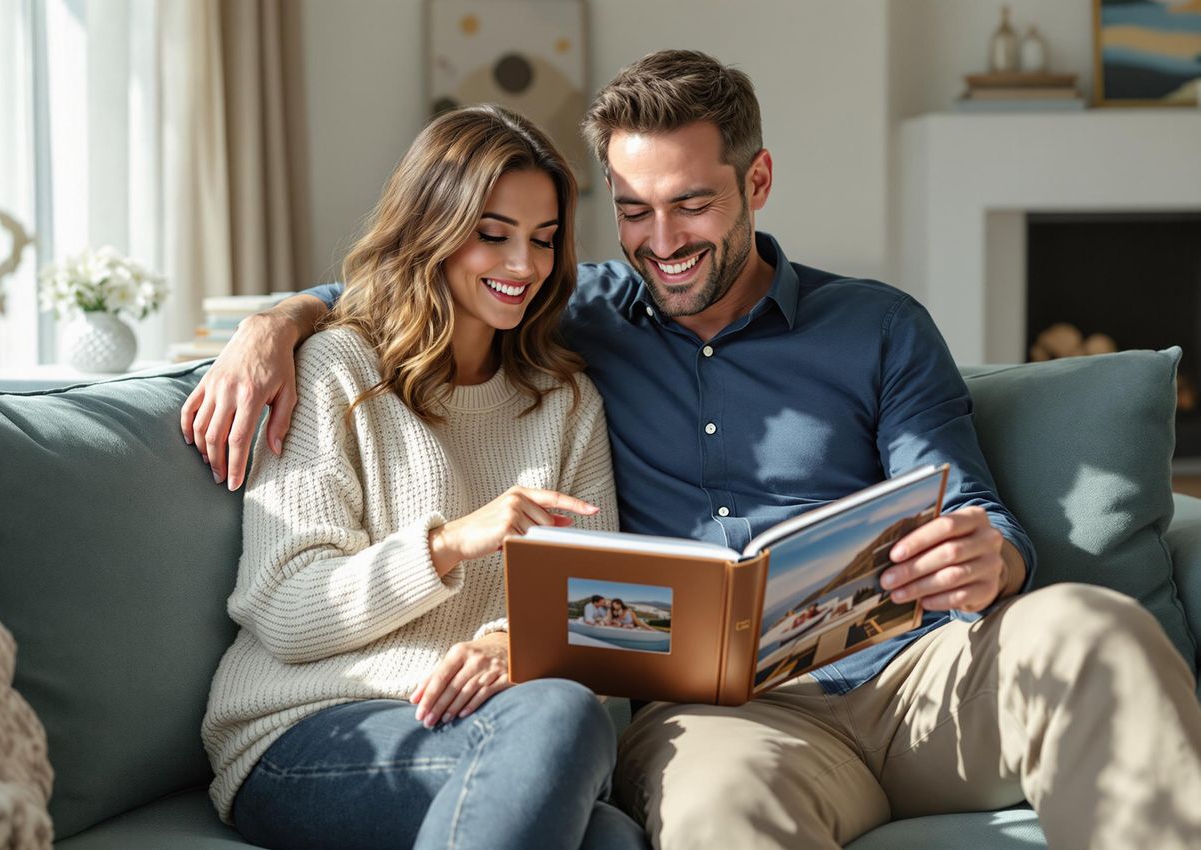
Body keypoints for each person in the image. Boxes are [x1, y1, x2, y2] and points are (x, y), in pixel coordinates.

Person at [186, 52, 1201, 849]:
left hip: (919, 675)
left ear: (756, 179)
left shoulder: (878, 326)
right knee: (712, 812)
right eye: (633, 211)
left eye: (692, 203)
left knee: (1093, 630)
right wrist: (273, 325)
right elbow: (419, 278)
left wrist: (993, 554)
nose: (662, 240)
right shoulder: (576, 315)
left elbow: (972, 504)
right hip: (726, 721)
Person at [200, 104, 648, 850]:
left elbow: (596, 610)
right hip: (308, 731)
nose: (523, 266)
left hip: (493, 725)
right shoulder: (336, 371)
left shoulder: (566, 401)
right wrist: (451, 543)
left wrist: (512, 644)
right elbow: (285, 609)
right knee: (566, 717)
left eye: (543, 239)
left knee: (613, 839)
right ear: (432, 228)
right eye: (492, 235)